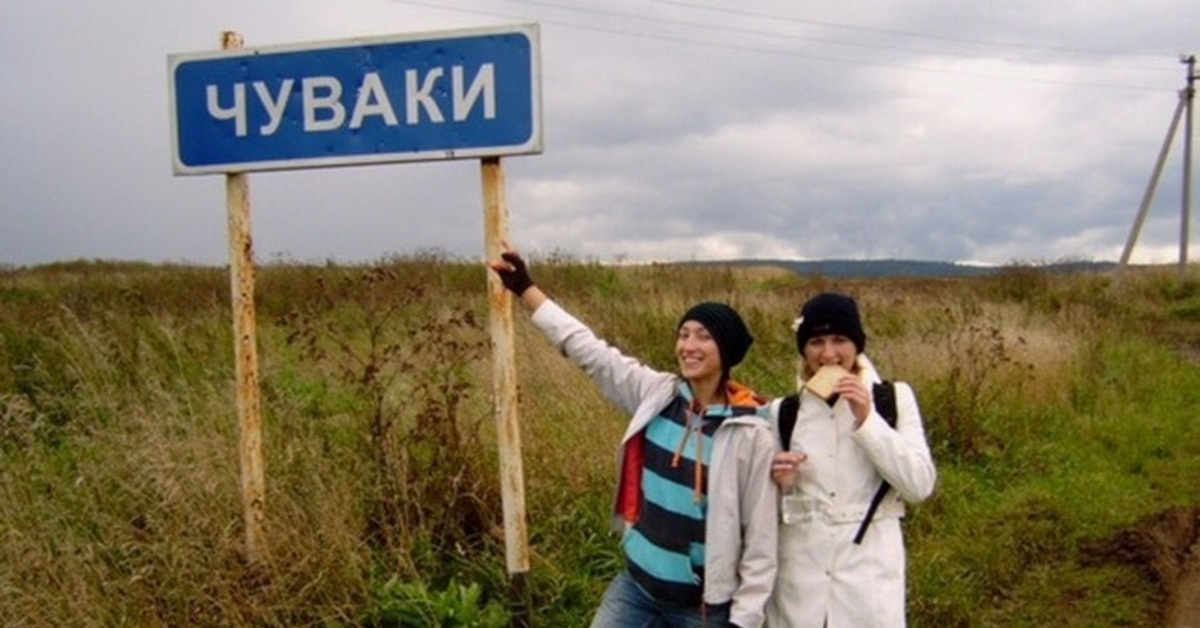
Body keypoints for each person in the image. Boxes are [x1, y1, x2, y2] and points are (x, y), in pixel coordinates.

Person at [489, 247, 779, 628]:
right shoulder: (657, 394)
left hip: (702, 608)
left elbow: (761, 542)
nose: (688, 346)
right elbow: (588, 349)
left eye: (703, 337)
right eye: (684, 334)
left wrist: (744, 621)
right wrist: (526, 288)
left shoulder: (751, 432)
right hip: (636, 589)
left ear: (726, 352)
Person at [766, 292, 936, 628]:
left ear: (857, 345)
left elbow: (919, 485)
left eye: (839, 340)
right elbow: (769, 512)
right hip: (800, 586)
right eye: (816, 341)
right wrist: (780, 484)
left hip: (867, 584)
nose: (828, 354)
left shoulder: (893, 398)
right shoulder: (783, 412)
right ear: (803, 348)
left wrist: (867, 420)